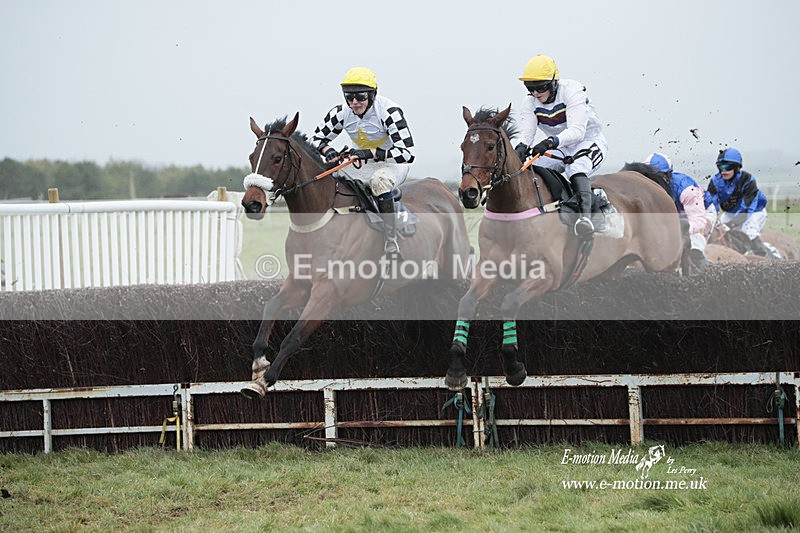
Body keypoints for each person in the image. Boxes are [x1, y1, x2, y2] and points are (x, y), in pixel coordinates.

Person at [311, 67, 415, 255]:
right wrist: (329, 151)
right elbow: (317, 139)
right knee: (330, 177)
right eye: (349, 97)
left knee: (379, 182)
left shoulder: (389, 111)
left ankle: (391, 239)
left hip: (392, 163)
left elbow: (407, 154)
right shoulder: (340, 113)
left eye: (360, 97)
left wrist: (372, 153)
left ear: (372, 95)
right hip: (361, 162)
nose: (355, 102)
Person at [514, 54, 608, 237]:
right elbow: (527, 133)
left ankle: (585, 218)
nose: (535, 93)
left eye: (540, 87)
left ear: (553, 83)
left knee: (575, 167)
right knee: (531, 169)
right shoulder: (529, 102)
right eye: (530, 88)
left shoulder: (572, 91)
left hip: (589, 141)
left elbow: (577, 131)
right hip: (560, 145)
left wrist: (550, 142)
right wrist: (520, 148)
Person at [643, 153, 716, 269]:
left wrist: (675, 232)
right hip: (677, 217)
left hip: (701, 214)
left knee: (694, 250)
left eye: (655, 177)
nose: (651, 182)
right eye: (647, 177)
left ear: (667, 175)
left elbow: (698, 221)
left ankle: (707, 277)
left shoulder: (686, 188)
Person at [706, 147, 776, 259]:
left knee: (749, 231)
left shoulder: (748, 180)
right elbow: (711, 206)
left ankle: (765, 259)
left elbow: (746, 210)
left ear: (737, 167)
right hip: (731, 212)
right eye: (720, 167)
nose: (723, 171)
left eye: (727, 167)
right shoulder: (715, 181)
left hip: (754, 211)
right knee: (713, 230)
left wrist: (729, 225)